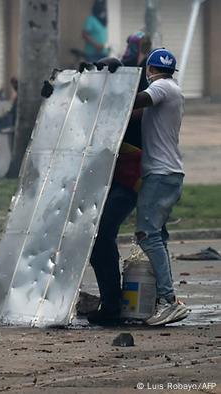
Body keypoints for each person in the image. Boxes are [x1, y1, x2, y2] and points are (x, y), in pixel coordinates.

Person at [87, 33, 152, 326]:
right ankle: (111, 301)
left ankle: (114, 306)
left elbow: (132, 95)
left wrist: (112, 66)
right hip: (108, 179)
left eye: (133, 49)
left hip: (129, 181)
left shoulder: (138, 89)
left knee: (103, 237)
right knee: (98, 241)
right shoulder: (108, 100)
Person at [129, 48, 190, 326]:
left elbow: (139, 99)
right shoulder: (173, 91)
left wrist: (116, 87)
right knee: (157, 237)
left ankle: (168, 300)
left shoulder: (162, 87)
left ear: (149, 71)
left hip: (161, 174)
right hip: (168, 174)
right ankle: (163, 298)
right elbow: (138, 115)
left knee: (147, 234)